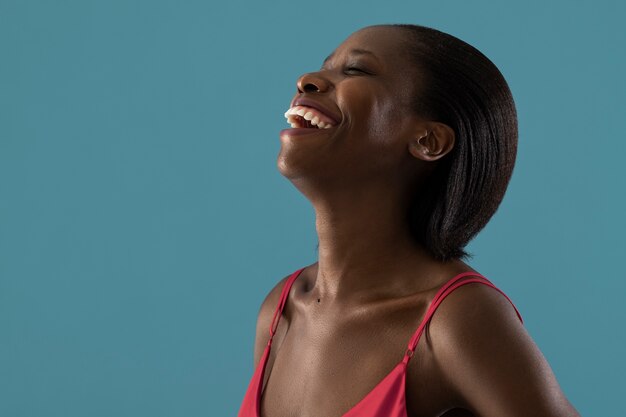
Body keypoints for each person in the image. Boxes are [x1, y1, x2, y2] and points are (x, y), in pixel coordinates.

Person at [238, 24, 581, 417]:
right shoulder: (281, 309)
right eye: (326, 66)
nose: (307, 80)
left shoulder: (457, 320)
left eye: (357, 71)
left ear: (428, 141)